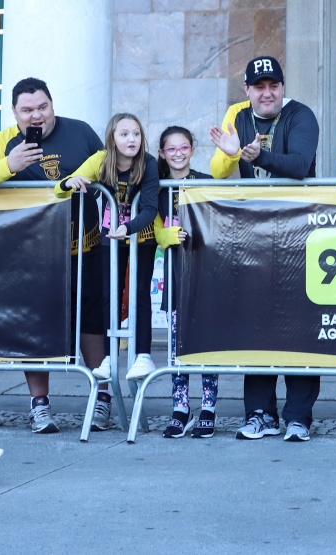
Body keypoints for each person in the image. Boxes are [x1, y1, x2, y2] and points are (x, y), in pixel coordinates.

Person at [209, 55, 320, 442]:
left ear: (283, 87)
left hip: (297, 233)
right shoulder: (237, 116)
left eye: (273, 85)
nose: (267, 93)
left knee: (299, 325)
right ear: (247, 90)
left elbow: (301, 164)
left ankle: (298, 416)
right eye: (259, 87)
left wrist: (260, 157)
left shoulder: (301, 115)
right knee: (255, 324)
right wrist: (230, 154)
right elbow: (218, 170)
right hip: (253, 235)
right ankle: (260, 413)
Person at [0, 77, 105, 433]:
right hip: (33, 255)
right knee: (36, 326)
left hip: (85, 247)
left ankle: (102, 396)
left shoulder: (80, 132)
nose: (36, 116)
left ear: (52, 104)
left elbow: (108, 166)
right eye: (27, 110)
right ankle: (39, 405)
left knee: (92, 322)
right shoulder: (5, 142)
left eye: (42, 107)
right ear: (15, 112)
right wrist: (9, 164)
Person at [56, 113, 160, 432]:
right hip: (108, 236)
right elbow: (64, 187)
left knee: (139, 294)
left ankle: (142, 355)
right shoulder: (101, 160)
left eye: (136, 134)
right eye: (124, 134)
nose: (132, 139)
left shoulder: (149, 163)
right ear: (112, 138)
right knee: (108, 295)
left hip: (140, 234)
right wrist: (69, 183)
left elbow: (150, 208)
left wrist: (128, 227)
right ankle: (108, 359)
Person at [154, 126, 218, 439]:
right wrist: (166, 235)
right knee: (177, 345)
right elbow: (153, 226)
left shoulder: (206, 182)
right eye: (171, 149)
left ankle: (208, 406)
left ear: (192, 149)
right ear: (162, 153)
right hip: (177, 276)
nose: (178, 154)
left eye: (183, 148)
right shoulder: (157, 187)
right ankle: (181, 407)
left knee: (206, 344)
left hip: (206, 274)